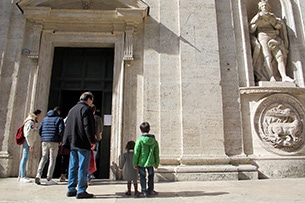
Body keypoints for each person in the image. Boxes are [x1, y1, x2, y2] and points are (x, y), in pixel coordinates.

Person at [249, 0, 294, 83]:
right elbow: (251, 30)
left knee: (280, 56)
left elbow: (277, 26)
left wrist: (279, 25)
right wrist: (257, 22)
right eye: (262, 6)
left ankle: (284, 76)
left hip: (274, 36)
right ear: (260, 8)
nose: (264, 7)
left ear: (268, 7)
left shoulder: (272, 16)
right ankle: (271, 76)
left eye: (266, 5)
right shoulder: (257, 16)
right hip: (263, 36)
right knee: (267, 56)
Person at [62, 92, 97, 199]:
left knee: (72, 166)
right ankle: (81, 190)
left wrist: (66, 141)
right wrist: (92, 140)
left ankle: (71, 188)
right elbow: (88, 127)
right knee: (83, 167)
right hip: (82, 142)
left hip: (73, 143)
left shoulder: (72, 110)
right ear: (89, 99)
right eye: (92, 100)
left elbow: (67, 127)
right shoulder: (86, 110)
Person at [35, 106, 64, 185]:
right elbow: (61, 130)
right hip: (54, 141)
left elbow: (40, 129)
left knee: (44, 157)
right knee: (52, 159)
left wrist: (43, 137)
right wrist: (60, 140)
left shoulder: (44, 119)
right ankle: (49, 178)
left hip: (44, 141)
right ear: (58, 112)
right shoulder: (59, 119)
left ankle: (38, 174)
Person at [133, 122, 160, 197]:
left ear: (141, 130)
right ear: (149, 129)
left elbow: (136, 152)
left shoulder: (140, 140)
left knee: (142, 176)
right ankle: (150, 189)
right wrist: (157, 163)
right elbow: (156, 153)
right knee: (151, 175)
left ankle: (144, 190)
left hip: (141, 162)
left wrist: (134, 163)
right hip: (151, 161)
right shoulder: (154, 141)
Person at [18, 109, 42, 183]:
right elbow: (28, 134)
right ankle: (22, 176)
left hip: (27, 141)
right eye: (40, 115)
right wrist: (31, 144)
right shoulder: (30, 121)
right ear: (37, 114)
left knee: (24, 157)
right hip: (27, 141)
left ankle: (21, 175)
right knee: (25, 157)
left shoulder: (30, 120)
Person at [87, 104, 103, 183]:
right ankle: (89, 174)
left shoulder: (85, 118)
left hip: (86, 141)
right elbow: (100, 131)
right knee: (93, 157)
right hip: (95, 141)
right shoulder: (98, 118)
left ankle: (86, 175)